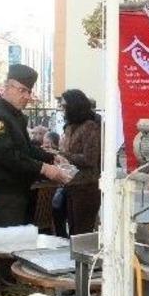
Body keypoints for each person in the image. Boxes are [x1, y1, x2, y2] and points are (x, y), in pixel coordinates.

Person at [0, 64, 70, 226]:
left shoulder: (15, 115)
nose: (27, 96)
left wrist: (52, 157)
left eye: (29, 91)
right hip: (3, 195)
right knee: (8, 246)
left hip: (21, 192)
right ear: (7, 87)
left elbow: (26, 149)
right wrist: (45, 168)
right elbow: (6, 156)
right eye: (22, 90)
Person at [52, 89, 101, 237]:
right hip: (70, 185)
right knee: (71, 230)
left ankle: (82, 261)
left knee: (81, 232)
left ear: (74, 106)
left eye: (64, 106)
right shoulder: (69, 127)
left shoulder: (90, 126)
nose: (62, 110)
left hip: (86, 186)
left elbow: (89, 158)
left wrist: (63, 155)